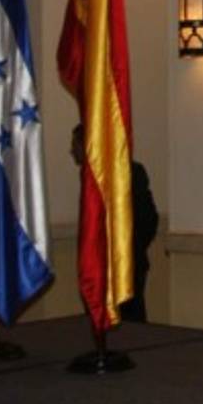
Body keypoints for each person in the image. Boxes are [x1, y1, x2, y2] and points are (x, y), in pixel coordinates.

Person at [70, 124, 157, 322]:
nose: (71, 150)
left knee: (131, 320)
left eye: (74, 144)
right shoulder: (87, 177)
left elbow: (148, 218)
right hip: (96, 264)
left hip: (127, 263)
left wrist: (128, 248)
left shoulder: (130, 171)